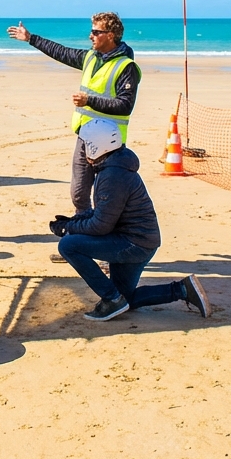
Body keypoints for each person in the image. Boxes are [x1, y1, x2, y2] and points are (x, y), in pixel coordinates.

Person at [52, 119, 210, 322]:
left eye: (84, 145)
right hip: (139, 241)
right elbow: (105, 213)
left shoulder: (112, 174)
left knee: (68, 245)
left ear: (95, 146)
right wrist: (74, 221)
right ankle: (182, 290)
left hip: (133, 244)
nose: (82, 151)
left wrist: (68, 229)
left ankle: (111, 298)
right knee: (125, 300)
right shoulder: (114, 164)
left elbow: (101, 225)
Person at [7, 13, 139, 215]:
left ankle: (102, 229)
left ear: (110, 35)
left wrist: (89, 100)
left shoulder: (125, 67)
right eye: (91, 31)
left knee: (105, 194)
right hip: (85, 137)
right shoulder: (90, 58)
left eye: (96, 32)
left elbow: (125, 105)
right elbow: (61, 52)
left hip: (111, 144)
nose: (90, 36)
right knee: (78, 193)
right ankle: (84, 224)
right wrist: (31, 38)